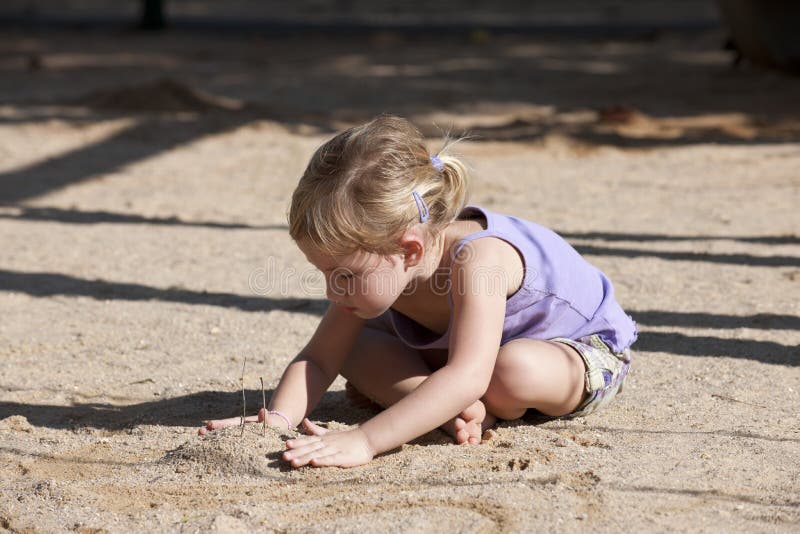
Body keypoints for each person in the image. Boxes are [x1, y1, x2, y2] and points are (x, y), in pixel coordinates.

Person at [200, 115, 637, 469]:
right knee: (355, 349)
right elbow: (319, 358)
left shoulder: (477, 261)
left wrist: (366, 440)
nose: (334, 290)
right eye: (325, 273)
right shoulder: (382, 268)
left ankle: (448, 403)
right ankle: (452, 412)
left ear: (409, 250)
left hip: (571, 351)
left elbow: (470, 375)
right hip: (464, 358)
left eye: (345, 275)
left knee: (510, 373)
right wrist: (275, 421)